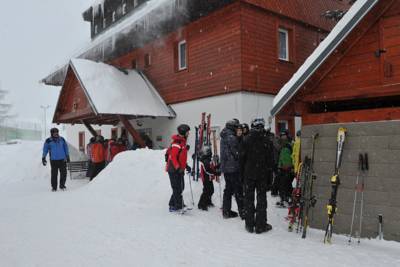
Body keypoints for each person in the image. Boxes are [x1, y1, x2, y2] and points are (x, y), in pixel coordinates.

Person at [240, 118, 274, 233]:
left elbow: (241, 159)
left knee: (249, 199)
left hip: (249, 174)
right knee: (261, 200)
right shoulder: (267, 141)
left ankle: (249, 225)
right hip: (262, 175)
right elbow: (271, 161)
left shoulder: (246, 140)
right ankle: (260, 225)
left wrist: (242, 175)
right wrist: (270, 177)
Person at [220, 120, 244, 219]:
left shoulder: (224, 136)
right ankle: (243, 212)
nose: (237, 129)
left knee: (228, 190)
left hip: (226, 168)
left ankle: (226, 211)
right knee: (238, 190)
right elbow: (236, 153)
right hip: (233, 168)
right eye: (236, 127)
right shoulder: (232, 138)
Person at [166, 124, 191, 212]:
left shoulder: (182, 142)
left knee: (180, 187)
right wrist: (177, 168)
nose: (189, 133)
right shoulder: (177, 143)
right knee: (177, 188)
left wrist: (186, 166)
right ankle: (178, 206)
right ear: (183, 132)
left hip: (179, 169)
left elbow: (181, 157)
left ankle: (173, 204)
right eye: (188, 132)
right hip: (173, 169)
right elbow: (173, 157)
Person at [197, 145, 220, 211]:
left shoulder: (208, 159)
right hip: (206, 178)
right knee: (206, 191)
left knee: (211, 190)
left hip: (209, 178)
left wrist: (217, 167)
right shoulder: (205, 160)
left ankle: (208, 202)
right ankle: (201, 204)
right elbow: (207, 170)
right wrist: (215, 173)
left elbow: (211, 168)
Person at [276, 130, 294, 207]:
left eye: (284, 136)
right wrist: (279, 166)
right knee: (282, 184)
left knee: (286, 184)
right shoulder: (281, 145)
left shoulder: (290, 145)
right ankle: (283, 199)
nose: (283, 137)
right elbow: (280, 157)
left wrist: (292, 166)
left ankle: (287, 198)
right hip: (282, 168)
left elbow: (293, 156)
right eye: (282, 136)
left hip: (289, 168)